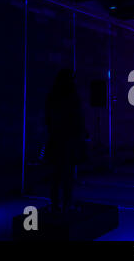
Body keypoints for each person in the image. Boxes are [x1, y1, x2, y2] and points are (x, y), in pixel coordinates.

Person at [45, 69, 86, 214]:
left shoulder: (53, 96)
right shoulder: (72, 96)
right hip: (68, 140)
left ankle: (55, 204)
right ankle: (66, 204)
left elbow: (48, 118)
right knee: (67, 174)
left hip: (56, 139)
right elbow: (77, 119)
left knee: (56, 174)